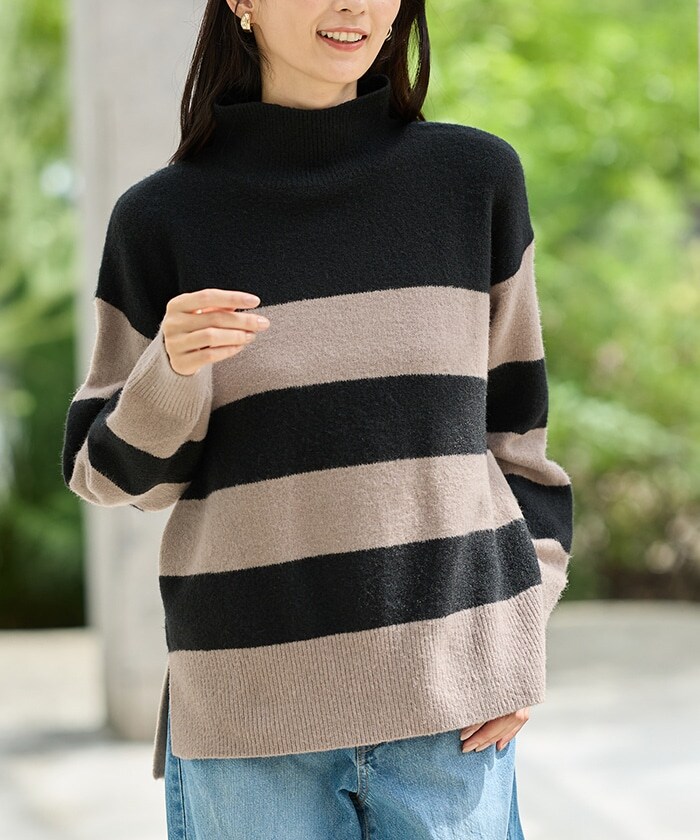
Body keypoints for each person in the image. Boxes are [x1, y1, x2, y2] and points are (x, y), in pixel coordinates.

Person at [61, 0, 575, 837]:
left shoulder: (472, 181)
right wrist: (171, 371)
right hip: (251, 728)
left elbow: (519, 446)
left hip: (450, 715)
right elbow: (109, 478)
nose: (354, 6)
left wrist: (521, 633)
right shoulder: (162, 219)